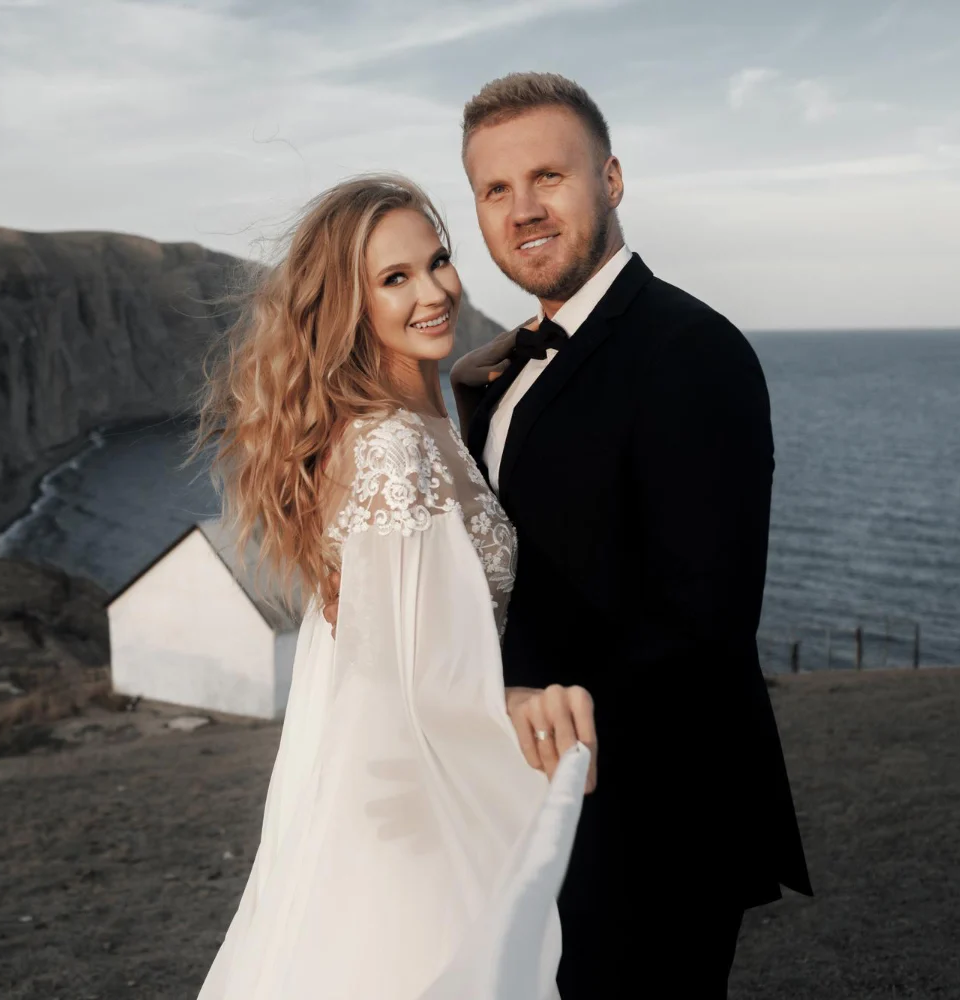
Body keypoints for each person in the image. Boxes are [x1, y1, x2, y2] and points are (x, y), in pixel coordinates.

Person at [426, 72, 818, 998]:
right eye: (494, 190)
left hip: (656, 815)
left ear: (611, 179)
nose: (523, 210)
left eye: (548, 178)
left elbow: (704, 618)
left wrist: (529, 708)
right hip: (536, 803)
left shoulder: (693, 351)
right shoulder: (496, 368)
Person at [192, 175, 596, 999]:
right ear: (348, 307)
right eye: (395, 279)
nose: (434, 290)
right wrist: (513, 700)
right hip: (410, 812)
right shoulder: (386, 448)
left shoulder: (424, 416)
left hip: (408, 791)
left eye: (438, 261)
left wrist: (474, 388)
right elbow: (396, 675)